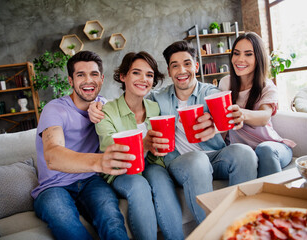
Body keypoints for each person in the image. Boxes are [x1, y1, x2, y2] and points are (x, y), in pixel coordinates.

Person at [88, 41, 258, 224]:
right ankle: (213, 231)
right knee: (197, 160)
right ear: (169, 72)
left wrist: (220, 123)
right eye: (174, 66)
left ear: (196, 66)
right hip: (179, 162)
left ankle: (243, 225)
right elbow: (133, 96)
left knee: (245, 153)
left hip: (214, 156)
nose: (182, 70)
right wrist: (98, 103)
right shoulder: (157, 98)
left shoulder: (212, 93)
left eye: (187, 63)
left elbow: (228, 117)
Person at [31, 51, 129, 240]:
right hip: (54, 186)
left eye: (93, 74)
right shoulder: (54, 109)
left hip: (91, 182)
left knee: (112, 219)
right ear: (70, 81)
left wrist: (102, 111)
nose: (88, 80)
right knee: (66, 222)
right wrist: (99, 162)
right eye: (80, 75)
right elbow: (52, 155)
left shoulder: (104, 106)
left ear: (101, 79)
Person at [95, 51, 184, 240]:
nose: (144, 79)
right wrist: (143, 144)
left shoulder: (154, 107)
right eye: (136, 73)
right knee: (139, 186)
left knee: (161, 179)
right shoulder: (106, 111)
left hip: (151, 165)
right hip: (121, 171)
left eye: (149, 75)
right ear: (123, 76)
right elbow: (112, 150)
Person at [218, 32, 296, 178]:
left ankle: (274, 199)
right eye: (236, 53)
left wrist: (242, 114)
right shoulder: (225, 83)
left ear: (258, 58)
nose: (240, 59)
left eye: (248, 54)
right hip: (242, 153)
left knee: (264, 149)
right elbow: (221, 126)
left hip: (273, 147)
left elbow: (264, 117)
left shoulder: (267, 86)